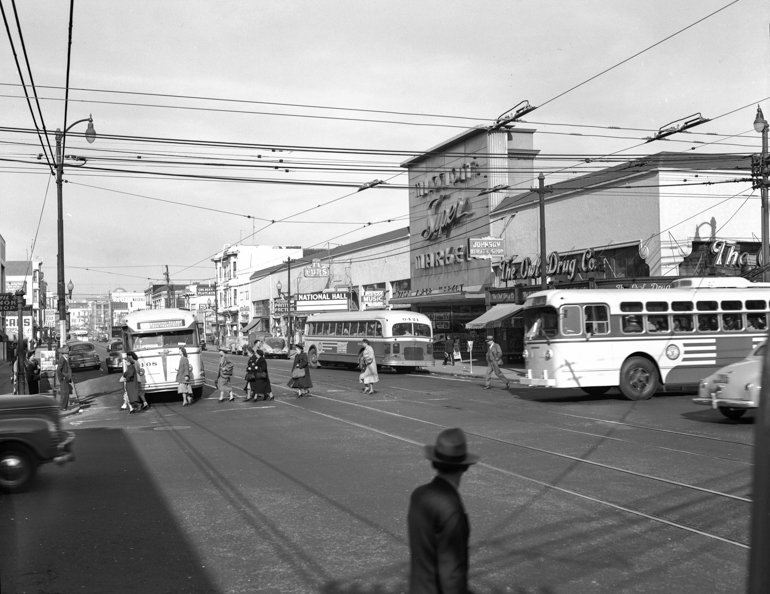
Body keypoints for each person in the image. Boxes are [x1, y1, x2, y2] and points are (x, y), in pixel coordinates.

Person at [407, 427, 479, 594]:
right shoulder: (451, 508)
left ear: (435, 462)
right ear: (465, 467)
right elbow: (451, 572)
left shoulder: (419, 495)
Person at [56, 346, 73, 410]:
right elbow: (58, 370)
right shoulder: (62, 359)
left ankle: (64, 407)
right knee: (64, 393)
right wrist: (62, 377)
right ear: (64, 354)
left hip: (66, 378)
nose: (68, 355)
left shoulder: (65, 359)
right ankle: (62, 407)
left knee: (66, 393)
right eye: (67, 354)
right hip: (64, 379)